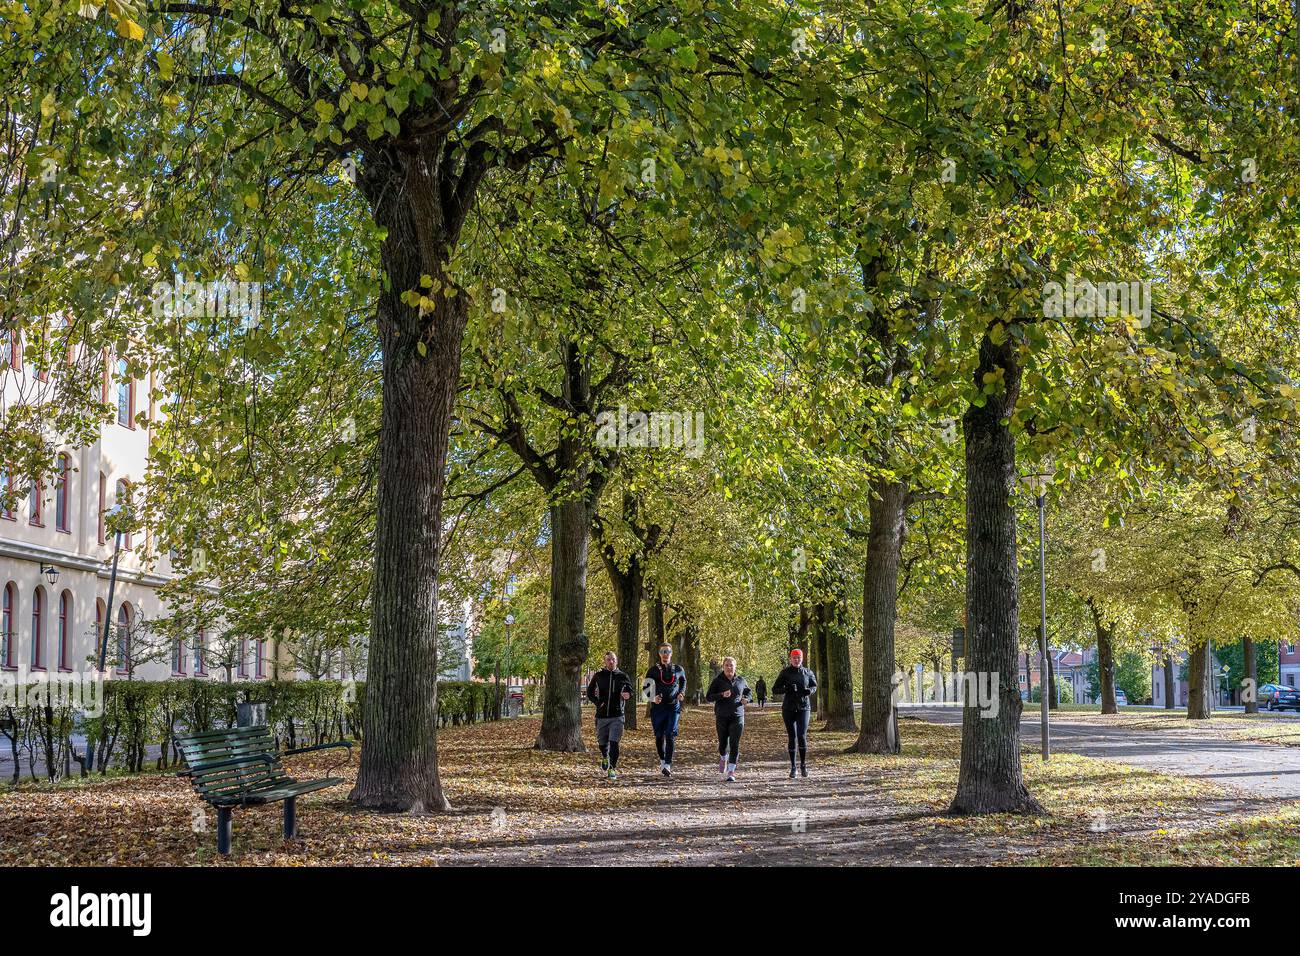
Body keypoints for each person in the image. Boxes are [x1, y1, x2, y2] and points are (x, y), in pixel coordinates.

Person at [586, 651, 634, 780]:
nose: (611, 662)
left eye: (613, 659)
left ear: (616, 661)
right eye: (608, 660)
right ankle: (605, 757)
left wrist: (628, 695)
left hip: (617, 715)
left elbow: (631, 690)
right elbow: (589, 692)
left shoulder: (623, 676)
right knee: (602, 743)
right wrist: (597, 703)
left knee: (614, 742)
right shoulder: (599, 676)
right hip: (601, 716)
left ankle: (612, 768)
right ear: (605, 662)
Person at [705, 656, 752, 782]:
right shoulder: (717, 681)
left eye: (731, 665)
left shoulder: (741, 680)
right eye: (726, 665)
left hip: (738, 715)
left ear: (735, 667)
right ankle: (723, 757)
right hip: (722, 716)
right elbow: (708, 697)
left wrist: (747, 699)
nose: (729, 667)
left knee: (734, 743)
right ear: (723, 667)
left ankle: (731, 771)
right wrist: (721, 695)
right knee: (723, 743)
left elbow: (748, 692)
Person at [772, 649, 817, 778]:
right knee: (792, 737)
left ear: (802, 659)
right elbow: (775, 689)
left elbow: (814, 686)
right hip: (789, 708)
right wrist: (787, 689)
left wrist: (810, 691)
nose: (796, 660)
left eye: (799, 658)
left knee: (802, 736)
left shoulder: (808, 672)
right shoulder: (785, 673)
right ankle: (793, 767)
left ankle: (803, 765)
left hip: (804, 707)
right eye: (794, 658)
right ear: (790, 659)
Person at [645, 643, 686, 775]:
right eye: (662, 651)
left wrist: (681, 693)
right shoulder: (653, 670)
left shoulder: (679, 669)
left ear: (671, 653)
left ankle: (668, 764)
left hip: (673, 707)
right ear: (659, 654)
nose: (665, 654)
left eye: (667, 651)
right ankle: (662, 760)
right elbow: (646, 690)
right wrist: (653, 698)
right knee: (659, 736)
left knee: (670, 734)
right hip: (658, 708)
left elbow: (683, 681)